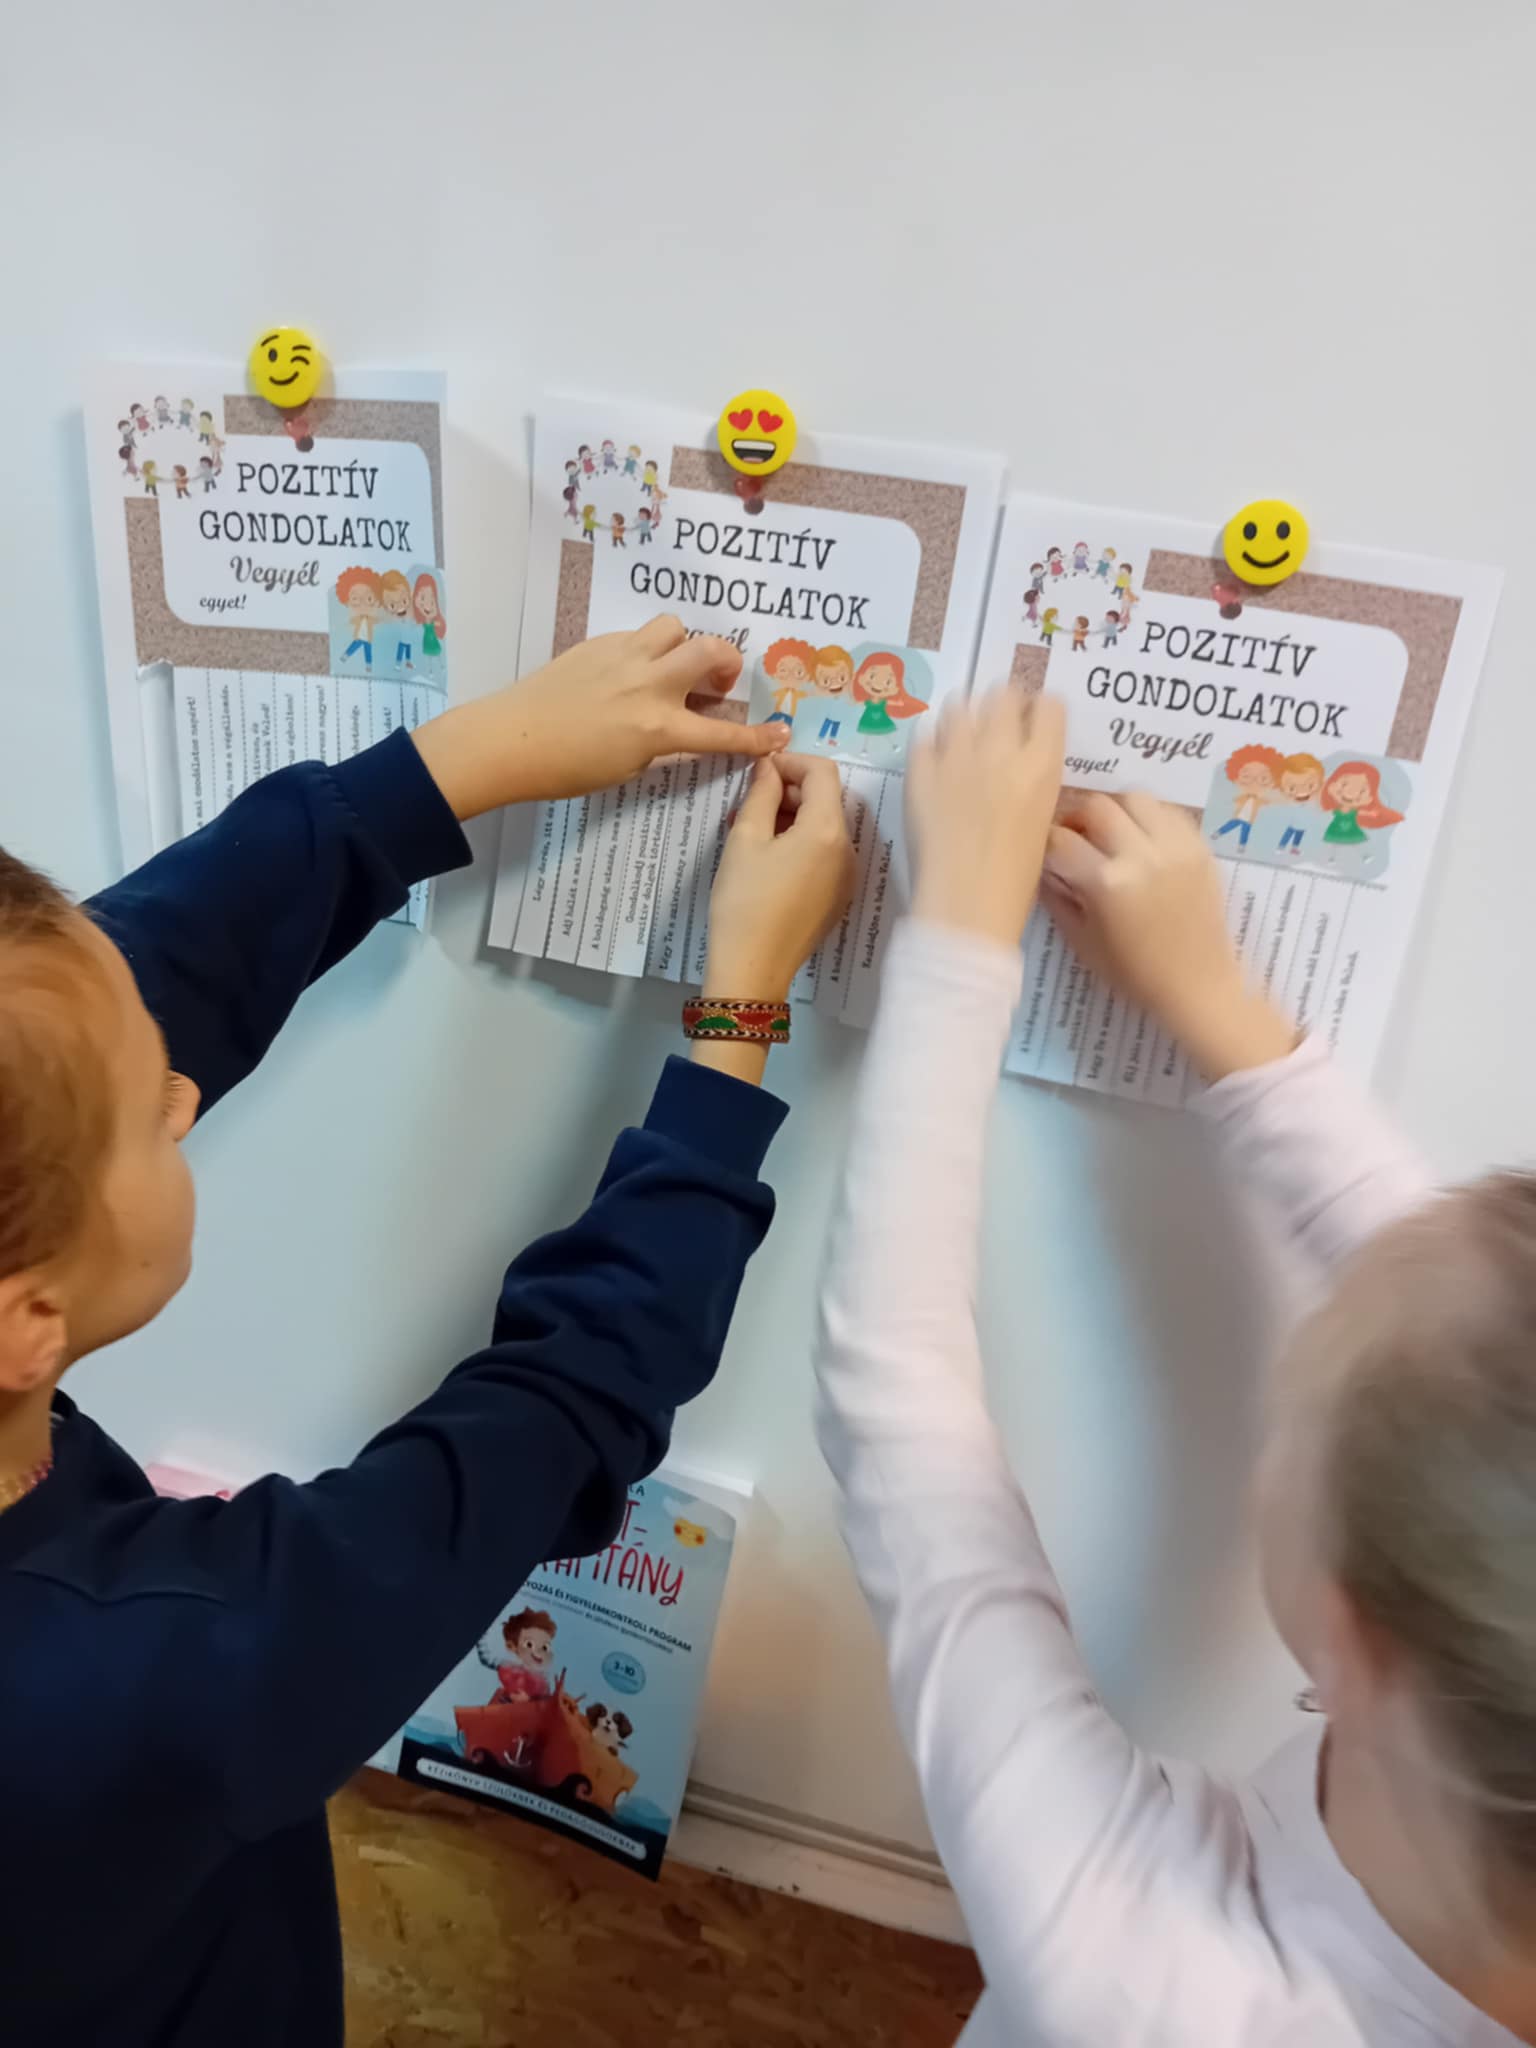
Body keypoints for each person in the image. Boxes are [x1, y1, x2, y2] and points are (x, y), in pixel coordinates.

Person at [1, 615, 852, 2047]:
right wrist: (741, 1013)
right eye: (150, 1115)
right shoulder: (167, 1669)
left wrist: (457, 764)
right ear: (27, 1322)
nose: (184, 1097)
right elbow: (556, 1408)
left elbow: (81, 1017)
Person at [817, 687, 1536, 2044]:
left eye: (1298, 1416)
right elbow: (1480, 1369)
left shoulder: (1145, 1980)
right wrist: (1220, 1006)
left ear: (1350, 1639)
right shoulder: (1477, 1731)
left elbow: (895, 1402)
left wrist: (958, 928)